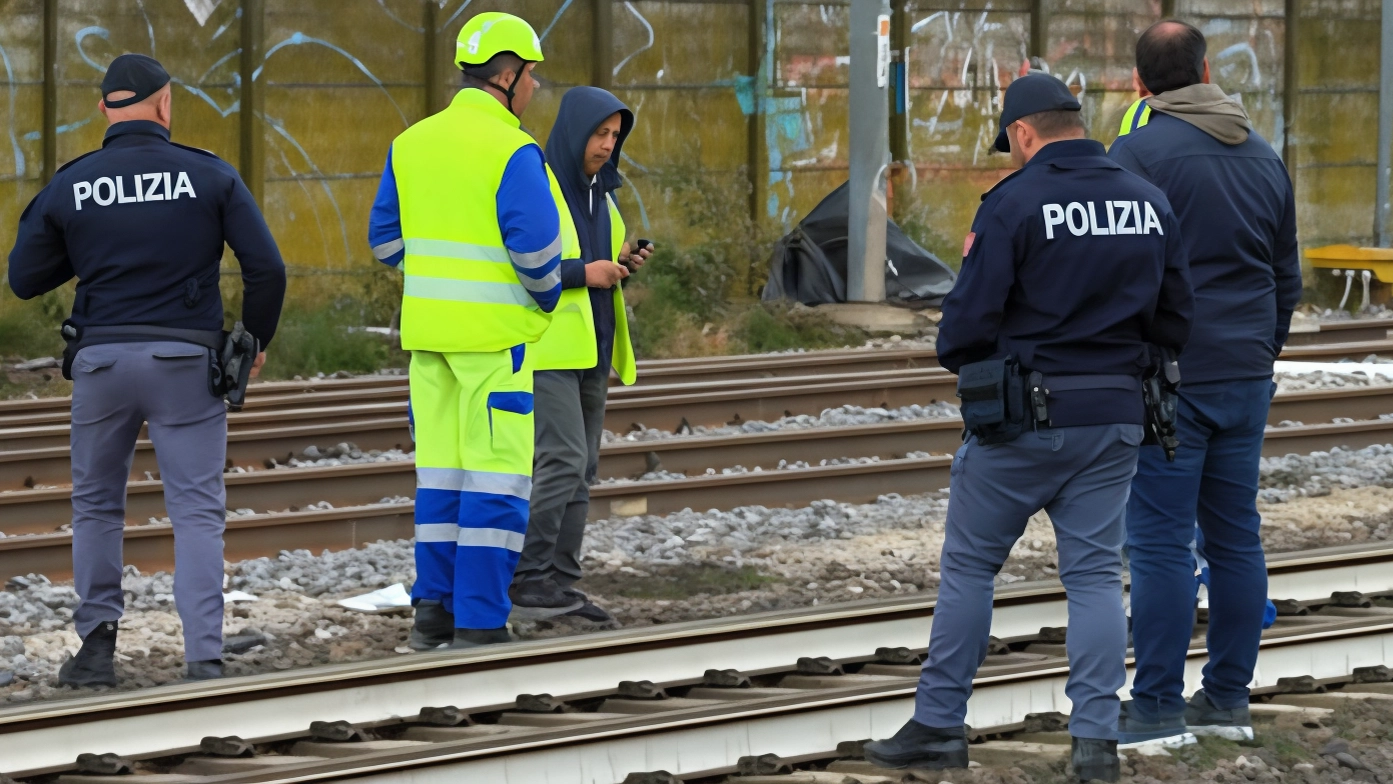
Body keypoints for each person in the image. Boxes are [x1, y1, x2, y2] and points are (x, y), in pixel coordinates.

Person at [862, 73, 1193, 782]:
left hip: (1022, 421)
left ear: (1022, 133)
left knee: (970, 569)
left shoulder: (1012, 203)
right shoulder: (1148, 202)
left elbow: (964, 326)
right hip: (1115, 417)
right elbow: (1174, 319)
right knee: (1098, 576)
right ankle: (1095, 744)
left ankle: (939, 725)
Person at [7, 54, 286, 685]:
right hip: (185, 363)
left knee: (98, 506)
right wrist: (255, 338)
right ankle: (204, 657)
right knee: (194, 509)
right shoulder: (209, 176)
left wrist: (93, 251)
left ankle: (97, 652)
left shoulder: (73, 181)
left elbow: (24, 278)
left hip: (102, 364)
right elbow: (267, 268)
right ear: (165, 105)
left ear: (104, 109)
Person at [1108, 20, 1301, 745]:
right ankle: (1226, 701)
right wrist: (1260, 351)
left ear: (1139, 84)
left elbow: (1118, 268)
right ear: (1207, 69)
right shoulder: (1261, 155)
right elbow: (1286, 277)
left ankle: (1156, 706)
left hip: (1170, 377)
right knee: (1235, 538)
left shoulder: (1134, 153)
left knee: (1158, 542)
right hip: (1245, 374)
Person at [367, 12, 565, 650]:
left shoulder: (411, 142)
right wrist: (539, 303)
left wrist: (433, 281)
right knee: (497, 482)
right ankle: (481, 621)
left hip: (430, 340)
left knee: (441, 481)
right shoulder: (511, 148)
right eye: (531, 75)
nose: (534, 87)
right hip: (493, 341)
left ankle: (435, 614)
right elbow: (537, 253)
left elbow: (386, 240)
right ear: (507, 77)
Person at [509, 87, 652, 623]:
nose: (607, 145)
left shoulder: (602, 193)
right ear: (574, 131)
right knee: (562, 458)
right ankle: (528, 579)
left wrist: (618, 260)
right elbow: (521, 261)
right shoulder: (540, 184)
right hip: (550, 346)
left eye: (615, 136)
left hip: (596, 343)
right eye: (600, 133)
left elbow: (594, 258)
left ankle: (561, 583)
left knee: (583, 468)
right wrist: (583, 273)